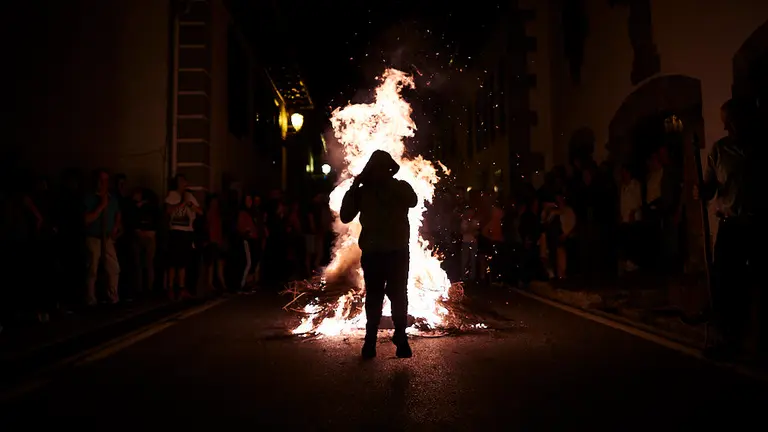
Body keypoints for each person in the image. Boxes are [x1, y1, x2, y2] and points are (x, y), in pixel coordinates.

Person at [695, 99, 757, 361]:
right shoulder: (719, 150)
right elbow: (710, 186)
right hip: (730, 226)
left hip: (756, 224)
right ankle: (727, 339)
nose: (726, 127)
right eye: (724, 122)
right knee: (725, 283)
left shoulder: (760, 148)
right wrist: (702, 190)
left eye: (730, 121)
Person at [340, 150, 417, 359]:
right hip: (386, 253)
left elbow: (413, 201)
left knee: (385, 296)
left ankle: (386, 340)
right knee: (393, 295)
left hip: (389, 252)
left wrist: (356, 188)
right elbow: (346, 216)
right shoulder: (368, 192)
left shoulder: (394, 188)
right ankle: (385, 340)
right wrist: (354, 189)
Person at [83, 170, 122, 306]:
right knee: (92, 268)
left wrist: (116, 226)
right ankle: (90, 298)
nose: (103, 183)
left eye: (105, 180)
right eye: (100, 180)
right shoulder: (89, 198)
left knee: (114, 267)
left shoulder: (113, 198)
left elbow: (117, 213)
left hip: (107, 238)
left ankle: (113, 295)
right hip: (93, 237)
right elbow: (86, 219)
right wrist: (101, 206)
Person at [164, 174, 202, 300]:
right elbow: (169, 211)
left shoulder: (189, 196)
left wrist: (191, 205)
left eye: (183, 181)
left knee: (183, 262)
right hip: (175, 231)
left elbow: (200, 211)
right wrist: (182, 204)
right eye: (180, 181)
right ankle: (170, 288)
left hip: (187, 232)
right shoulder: (172, 195)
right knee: (172, 261)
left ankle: (181, 288)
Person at [460, 208, 480, 282]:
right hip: (465, 242)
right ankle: (464, 276)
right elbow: (462, 231)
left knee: (473, 259)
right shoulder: (463, 222)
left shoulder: (475, 221)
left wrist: (471, 230)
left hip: (473, 242)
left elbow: (477, 232)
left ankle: (472, 277)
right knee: (465, 260)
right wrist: (470, 229)